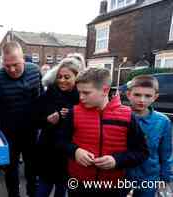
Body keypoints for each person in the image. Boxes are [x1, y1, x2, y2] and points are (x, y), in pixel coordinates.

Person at [62, 68, 149, 197]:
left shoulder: (127, 116)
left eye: (86, 93)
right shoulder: (74, 113)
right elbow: (59, 141)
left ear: (105, 90)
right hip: (78, 184)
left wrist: (116, 160)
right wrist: (75, 151)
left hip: (112, 186)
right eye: (79, 92)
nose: (81, 97)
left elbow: (142, 152)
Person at [0, 42, 42, 197]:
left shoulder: (35, 71)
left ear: (23, 59)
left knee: (33, 170)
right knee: (11, 172)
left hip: (31, 131)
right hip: (8, 133)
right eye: (7, 66)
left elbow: (41, 99)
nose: (12, 69)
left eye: (15, 64)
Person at [33, 57, 83, 197]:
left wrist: (72, 115)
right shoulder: (48, 94)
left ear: (76, 77)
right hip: (48, 150)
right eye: (59, 77)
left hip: (68, 153)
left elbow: (87, 123)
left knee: (61, 190)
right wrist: (47, 120)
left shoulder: (81, 98)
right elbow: (34, 119)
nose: (62, 80)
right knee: (43, 189)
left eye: (67, 77)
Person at [126, 75, 173, 197]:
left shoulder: (163, 122)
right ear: (128, 94)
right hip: (122, 174)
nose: (142, 100)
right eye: (137, 95)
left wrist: (165, 178)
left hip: (149, 176)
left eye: (148, 96)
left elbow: (166, 153)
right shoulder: (120, 117)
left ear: (155, 97)